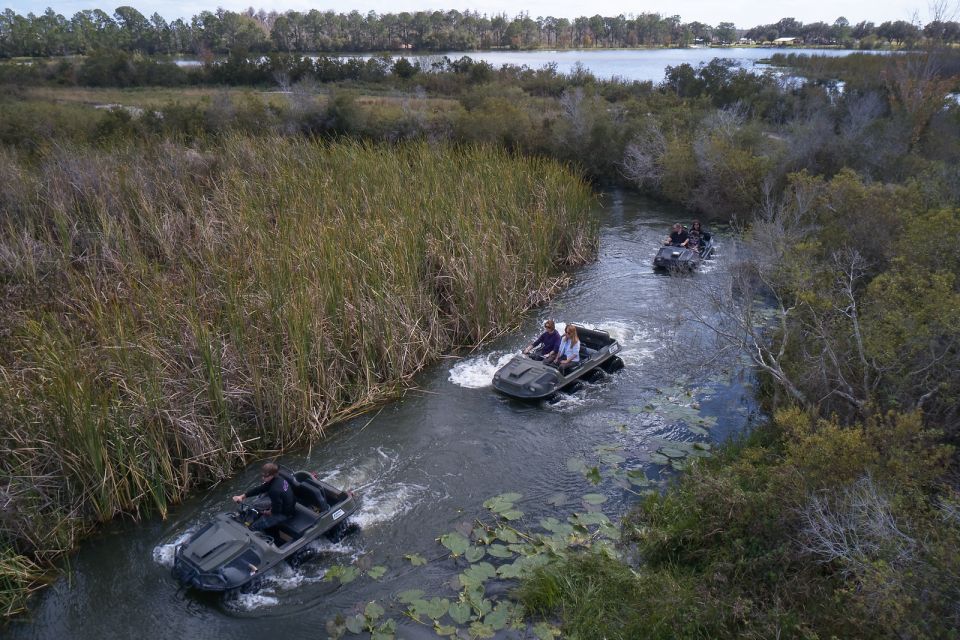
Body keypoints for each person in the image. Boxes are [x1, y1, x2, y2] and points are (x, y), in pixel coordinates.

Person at [232, 462, 296, 533]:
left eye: (265, 476)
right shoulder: (278, 478)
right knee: (255, 506)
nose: (263, 478)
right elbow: (260, 489)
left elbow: (276, 510)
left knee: (253, 527)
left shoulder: (274, 490)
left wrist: (268, 512)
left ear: (273, 475)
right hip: (284, 503)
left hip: (284, 513)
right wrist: (242, 496)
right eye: (262, 475)